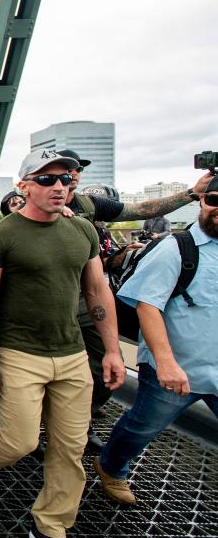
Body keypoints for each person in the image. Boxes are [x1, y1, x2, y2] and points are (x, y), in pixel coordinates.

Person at [0, 149, 127, 538]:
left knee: (69, 448)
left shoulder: (83, 233)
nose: (59, 186)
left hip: (72, 353)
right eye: (47, 179)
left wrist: (112, 350)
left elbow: (97, 292)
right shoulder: (1, 236)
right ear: (23, 186)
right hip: (21, 352)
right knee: (19, 441)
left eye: (65, 179)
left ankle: (51, 528)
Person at [55, 148, 214, 453]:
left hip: (85, 301)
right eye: (60, 171)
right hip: (44, 305)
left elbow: (141, 210)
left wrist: (193, 194)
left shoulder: (88, 205)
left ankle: (80, 427)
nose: (70, 176)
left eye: (74, 170)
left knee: (101, 369)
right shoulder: (31, 203)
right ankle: (37, 429)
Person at [93, 179, 218, 506]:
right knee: (142, 428)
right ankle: (111, 466)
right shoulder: (177, 248)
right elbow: (148, 303)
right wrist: (165, 362)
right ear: (202, 201)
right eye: (214, 199)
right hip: (177, 368)